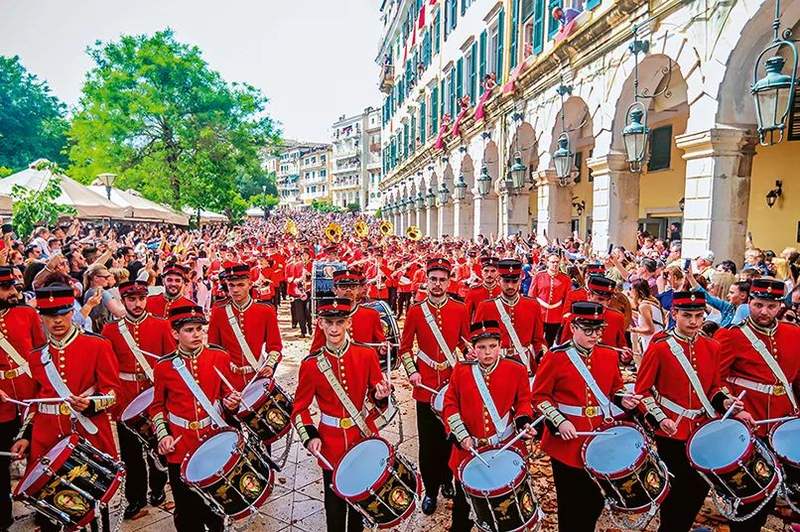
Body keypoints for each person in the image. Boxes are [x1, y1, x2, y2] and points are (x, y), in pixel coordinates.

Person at [8, 285, 121, 532]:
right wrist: (25, 437)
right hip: (46, 438)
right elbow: (33, 403)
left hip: (86, 433)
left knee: (92, 506)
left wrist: (92, 403)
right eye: (49, 314)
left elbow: (113, 392)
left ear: (73, 311)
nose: (57, 320)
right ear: (41, 317)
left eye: (63, 312)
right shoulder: (36, 356)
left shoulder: (97, 345)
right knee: (50, 508)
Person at [635, 291, 745, 532]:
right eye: (687, 315)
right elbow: (641, 391)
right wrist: (661, 418)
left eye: (698, 315)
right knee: (675, 491)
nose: (694, 321)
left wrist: (726, 402)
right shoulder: (660, 347)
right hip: (672, 430)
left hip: (703, 427)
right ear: (674, 314)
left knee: (699, 486)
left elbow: (715, 386)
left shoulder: (713, 346)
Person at [532, 302, 639, 532]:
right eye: (588, 330)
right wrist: (559, 420)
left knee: (595, 499)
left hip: (599, 436)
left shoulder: (609, 355)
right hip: (567, 439)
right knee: (570, 504)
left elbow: (615, 388)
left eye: (599, 329)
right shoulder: (556, 357)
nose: (595, 335)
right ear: (573, 327)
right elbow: (540, 396)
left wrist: (623, 399)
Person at [291, 297, 392, 532]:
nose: (334, 328)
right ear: (320, 324)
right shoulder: (311, 365)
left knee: (359, 504)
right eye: (329, 322)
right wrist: (310, 435)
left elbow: (377, 398)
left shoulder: (366, 355)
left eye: (340, 322)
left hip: (361, 438)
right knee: (334, 505)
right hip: (330, 443)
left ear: (348, 323)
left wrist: (381, 395)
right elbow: (299, 408)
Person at [715, 278, 800, 531]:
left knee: (775, 490)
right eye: (758, 304)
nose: (764, 312)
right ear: (748, 301)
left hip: (784, 424)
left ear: (780, 307)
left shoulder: (794, 335)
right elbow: (715, 380)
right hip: (749, 425)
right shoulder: (730, 336)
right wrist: (733, 408)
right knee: (750, 496)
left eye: (771, 307)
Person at [149, 305, 241, 532]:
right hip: (181, 446)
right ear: (175, 333)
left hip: (212, 442)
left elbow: (227, 393)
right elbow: (157, 407)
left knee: (215, 506)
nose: (197, 334)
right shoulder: (164, 366)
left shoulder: (219, 356)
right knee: (186, 509)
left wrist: (232, 402)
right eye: (189, 330)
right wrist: (163, 436)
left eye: (200, 328)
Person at [443, 320, 535, 532]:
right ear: (473, 348)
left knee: (507, 506)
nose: (487, 353)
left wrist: (523, 421)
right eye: (481, 347)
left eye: (492, 346)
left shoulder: (516, 369)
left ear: (500, 345)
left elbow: (523, 401)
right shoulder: (461, 370)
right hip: (469, 449)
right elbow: (449, 403)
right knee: (462, 507)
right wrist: (460, 432)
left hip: (504, 447)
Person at [398, 257, 469, 514]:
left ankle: (447, 480)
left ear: (449, 282)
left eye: (442, 280)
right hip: (425, 385)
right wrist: (413, 372)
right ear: (426, 281)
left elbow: (464, 343)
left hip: (452, 384)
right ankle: (429, 490)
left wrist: (470, 354)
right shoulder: (416, 311)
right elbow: (405, 349)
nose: (437, 284)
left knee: (451, 437)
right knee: (428, 443)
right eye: (433, 280)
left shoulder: (459, 309)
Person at [101, 280, 175, 519]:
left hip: (154, 394)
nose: (137, 304)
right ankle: (136, 498)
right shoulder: (111, 330)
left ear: (146, 299)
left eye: (141, 299)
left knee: (158, 446)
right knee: (131, 453)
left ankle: (158, 489)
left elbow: (170, 363)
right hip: (125, 398)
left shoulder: (161, 325)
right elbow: (107, 368)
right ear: (123, 301)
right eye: (131, 299)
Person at [0, 267, 43, 530]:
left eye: (14, 287)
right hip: (2, 402)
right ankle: (3, 516)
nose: (14, 293)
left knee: (39, 454)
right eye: (6, 289)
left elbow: (40, 352)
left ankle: (42, 506)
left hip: (30, 394)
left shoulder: (27, 314)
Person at [207, 263, 282, 390]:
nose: (235, 290)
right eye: (231, 285)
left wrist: (269, 365)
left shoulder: (266, 311)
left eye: (241, 285)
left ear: (250, 285)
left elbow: (275, 346)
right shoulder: (218, 311)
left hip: (256, 376)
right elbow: (214, 347)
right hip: (228, 379)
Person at [473, 258, 546, 373]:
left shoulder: (532, 305)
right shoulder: (486, 306)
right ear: (499, 281)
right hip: (495, 364)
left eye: (514, 281)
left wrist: (541, 357)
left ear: (520, 281)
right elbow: (477, 339)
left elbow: (538, 340)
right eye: (506, 281)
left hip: (524, 363)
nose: (510, 286)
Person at [309, 269, 385, 352]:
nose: (349, 290)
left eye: (353, 286)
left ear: (358, 289)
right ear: (334, 290)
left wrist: (383, 348)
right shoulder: (326, 316)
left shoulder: (371, 314)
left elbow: (380, 343)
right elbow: (316, 350)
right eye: (343, 287)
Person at [558, 275, 629, 352]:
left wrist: (625, 357)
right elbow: (564, 349)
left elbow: (621, 346)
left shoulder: (617, 317)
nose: (603, 304)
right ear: (589, 295)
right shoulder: (573, 318)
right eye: (600, 299)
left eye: (608, 300)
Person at [528, 251, 571, 346]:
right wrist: (531, 313)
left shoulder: (565, 279)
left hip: (556, 315)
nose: (555, 264)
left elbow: (567, 299)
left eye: (557, 262)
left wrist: (564, 314)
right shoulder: (539, 276)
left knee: (549, 342)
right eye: (552, 262)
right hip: (540, 313)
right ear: (547, 263)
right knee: (536, 340)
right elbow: (531, 295)